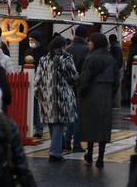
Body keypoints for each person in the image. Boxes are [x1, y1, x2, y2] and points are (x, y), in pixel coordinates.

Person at [34, 36, 78, 162]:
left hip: (46, 95)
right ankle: (55, 152)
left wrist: (38, 93)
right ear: (63, 46)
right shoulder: (66, 58)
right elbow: (73, 76)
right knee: (59, 123)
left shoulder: (43, 59)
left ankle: (57, 148)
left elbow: (37, 79)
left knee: (52, 122)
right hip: (61, 95)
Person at [78, 33, 118, 168]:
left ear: (95, 43)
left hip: (91, 94)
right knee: (103, 126)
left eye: (90, 42)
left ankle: (89, 154)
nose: (88, 44)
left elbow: (85, 78)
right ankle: (100, 157)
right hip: (106, 94)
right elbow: (116, 80)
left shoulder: (90, 58)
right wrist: (111, 95)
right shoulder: (111, 59)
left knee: (91, 125)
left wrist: (81, 91)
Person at [65, 25, 90, 153]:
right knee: (79, 116)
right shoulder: (87, 50)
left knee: (70, 114)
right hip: (81, 85)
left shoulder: (68, 49)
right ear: (86, 36)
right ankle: (77, 143)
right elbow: (87, 70)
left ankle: (66, 140)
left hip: (68, 85)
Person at [25, 30, 48, 138]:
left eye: (32, 40)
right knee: (31, 105)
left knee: (39, 106)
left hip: (41, 83)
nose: (31, 42)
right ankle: (31, 126)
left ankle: (39, 128)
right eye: (29, 40)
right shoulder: (28, 51)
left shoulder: (45, 52)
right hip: (30, 82)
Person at [109, 34, 124, 107]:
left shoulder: (115, 48)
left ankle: (116, 104)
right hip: (118, 70)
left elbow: (117, 61)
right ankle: (116, 103)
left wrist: (114, 70)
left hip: (116, 71)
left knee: (117, 87)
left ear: (110, 40)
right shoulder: (118, 46)